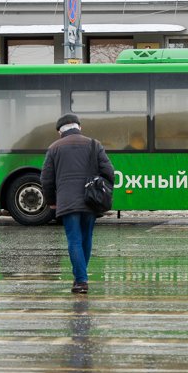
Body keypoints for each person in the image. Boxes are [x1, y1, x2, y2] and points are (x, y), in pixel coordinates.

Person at [40, 113, 114, 294]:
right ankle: (80, 276)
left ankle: (81, 280)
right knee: (86, 237)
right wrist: (101, 188)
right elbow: (109, 171)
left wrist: (51, 202)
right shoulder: (93, 144)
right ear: (79, 127)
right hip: (91, 200)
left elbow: (46, 179)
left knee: (74, 240)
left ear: (60, 132)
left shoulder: (54, 148)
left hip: (66, 201)